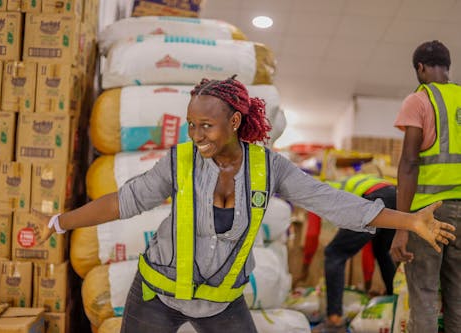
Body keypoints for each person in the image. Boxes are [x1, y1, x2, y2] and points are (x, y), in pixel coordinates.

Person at [37, 76, 455, 333]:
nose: (196, 134)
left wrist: (409, 221)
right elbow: (121, 203)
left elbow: (333, 203)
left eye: (206, 126)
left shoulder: (270, 169)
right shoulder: (179, 162)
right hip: (156, 296)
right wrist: (60, 222)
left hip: (222, 302)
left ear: (234, 122)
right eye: (191, 124)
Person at [390, 40, 461, 333]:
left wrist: (401, 226)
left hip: (428, 215)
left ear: (420, 68)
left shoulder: (419, 100)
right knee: (457, 301)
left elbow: (409, 163)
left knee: (425, 299)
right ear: (447, 66)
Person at [309, 174, 397, 333]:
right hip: (395, 197)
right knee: (382, 251)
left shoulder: (316, 193)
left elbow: (311, 235)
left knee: (334, 253)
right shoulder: (339, 184)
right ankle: (394, 302)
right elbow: (365, 242)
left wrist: (304, 267)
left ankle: (334, 321)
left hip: (375, 199)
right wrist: (368, 280)